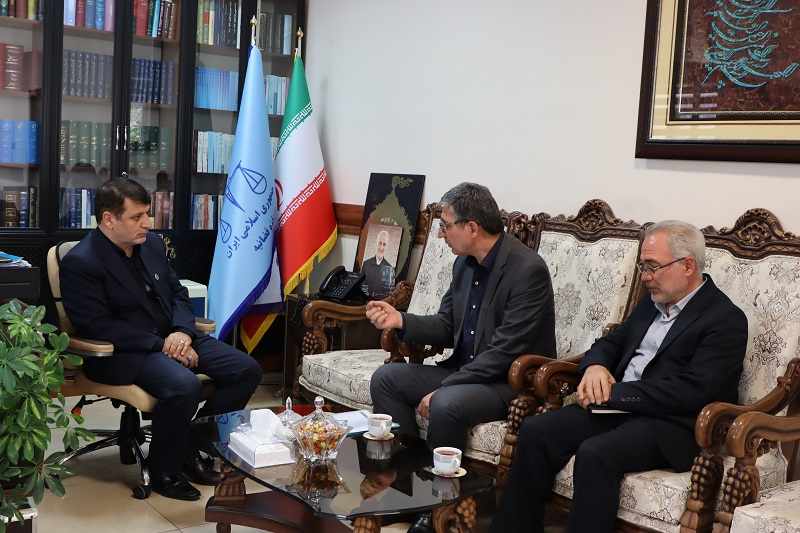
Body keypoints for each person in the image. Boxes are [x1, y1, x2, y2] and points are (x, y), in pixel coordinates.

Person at [491, 220, 748, 533]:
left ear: (688, 266)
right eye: (643, 267)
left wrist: (617, 394)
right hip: (618, 409)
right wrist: (596, 367)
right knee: (536, 431)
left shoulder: (725, 319)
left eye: (652, 267)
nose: (645, 277)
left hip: (671, 425)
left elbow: (695, 390)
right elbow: (610, 343)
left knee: (596, 453)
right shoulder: (652, 302)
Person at [366, 182, 556, 533]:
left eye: (446, 225)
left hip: (508, 382)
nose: (441, 234)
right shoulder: (464, 265)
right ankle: (404, 490)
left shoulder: (527, 270)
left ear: (472, 227)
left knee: (447, 403)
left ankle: (439, 509)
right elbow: (446, 325)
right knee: (386, 379)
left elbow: (505, 352)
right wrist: (400, 320)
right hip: (466, 373)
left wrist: (446, 386)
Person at [60, 177, 263, 502]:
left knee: (246, 370)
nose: (148, 223)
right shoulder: (82, 261)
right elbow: (97, 326)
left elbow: (178, 294)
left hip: (174, 336)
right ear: (109, 219)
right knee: (184, 385)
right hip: (123, 352)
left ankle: (192, 443)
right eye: (137, 217)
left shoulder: (152, 244)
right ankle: (164, 471)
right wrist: (163, 345)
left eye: (147, 214)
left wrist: (181, 332)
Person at [361, 229, 396, 298]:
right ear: (376, 243)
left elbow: (389, 292)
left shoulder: (390, 269)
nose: (381, 247)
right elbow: (361, 285)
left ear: (387, 246)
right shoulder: (366, 264)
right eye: (380, 243)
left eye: (384, 244)